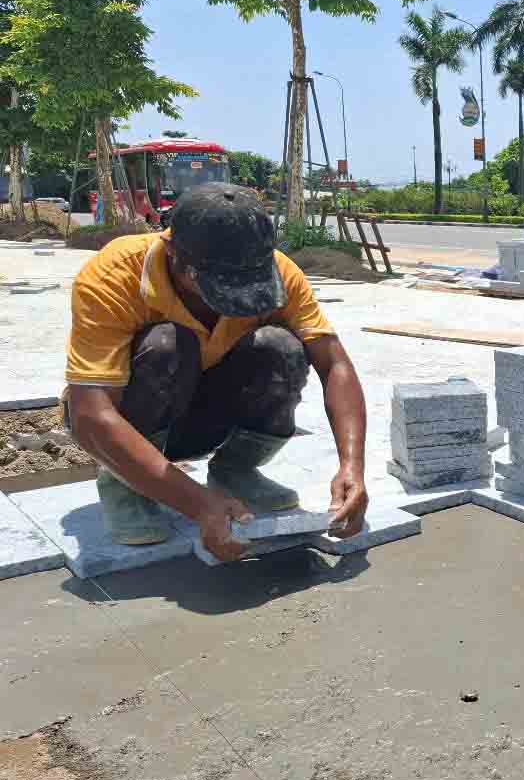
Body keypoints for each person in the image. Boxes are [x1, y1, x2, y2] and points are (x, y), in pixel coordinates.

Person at [64, 183, 369, 563]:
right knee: (168, 344)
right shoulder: (115, 275)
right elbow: (89, 414)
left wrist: (352, 465)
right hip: (132, 424)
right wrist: (196, 504)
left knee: (281, 348)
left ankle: (235, 471)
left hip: (207, 417)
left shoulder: (279, 272)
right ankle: (126, 486)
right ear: (173, 251)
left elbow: (334, 363)